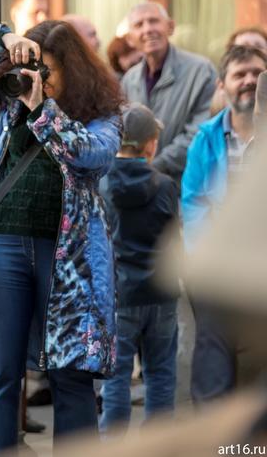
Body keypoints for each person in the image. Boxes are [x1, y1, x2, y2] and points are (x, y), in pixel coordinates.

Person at [0, 19, 123, 455]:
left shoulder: (102, 115)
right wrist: (2, 39)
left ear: (73, 70)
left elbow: (88, 155)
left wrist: (44, 110)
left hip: (68, 257)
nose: (35, 78)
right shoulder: (7, 102)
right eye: (32, 67)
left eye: (46, 69)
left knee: (71, 372)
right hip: (0, 244)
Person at [181, 44, 267, 403]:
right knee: (214, 372)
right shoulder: (206, 138)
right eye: (239, 74)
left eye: (256, 73)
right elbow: (193, 202)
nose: (248, 81)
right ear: (222, 84)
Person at [98, 103, 180, 436]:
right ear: (150, 144)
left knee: (116, 377)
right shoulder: (165, 185)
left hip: (120, 293)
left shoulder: (101, 182)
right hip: (162, 292)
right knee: (160, 373)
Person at [120, 1, 217, 180]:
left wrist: (154, 166)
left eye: (154, 21)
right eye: (139, 25)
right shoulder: (129, 80)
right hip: (137, 185)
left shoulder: (201, 71)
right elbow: (125, 133)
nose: (148, 29)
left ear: (170, 27)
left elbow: (199, 132)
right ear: (130, 39)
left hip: (185, 185)